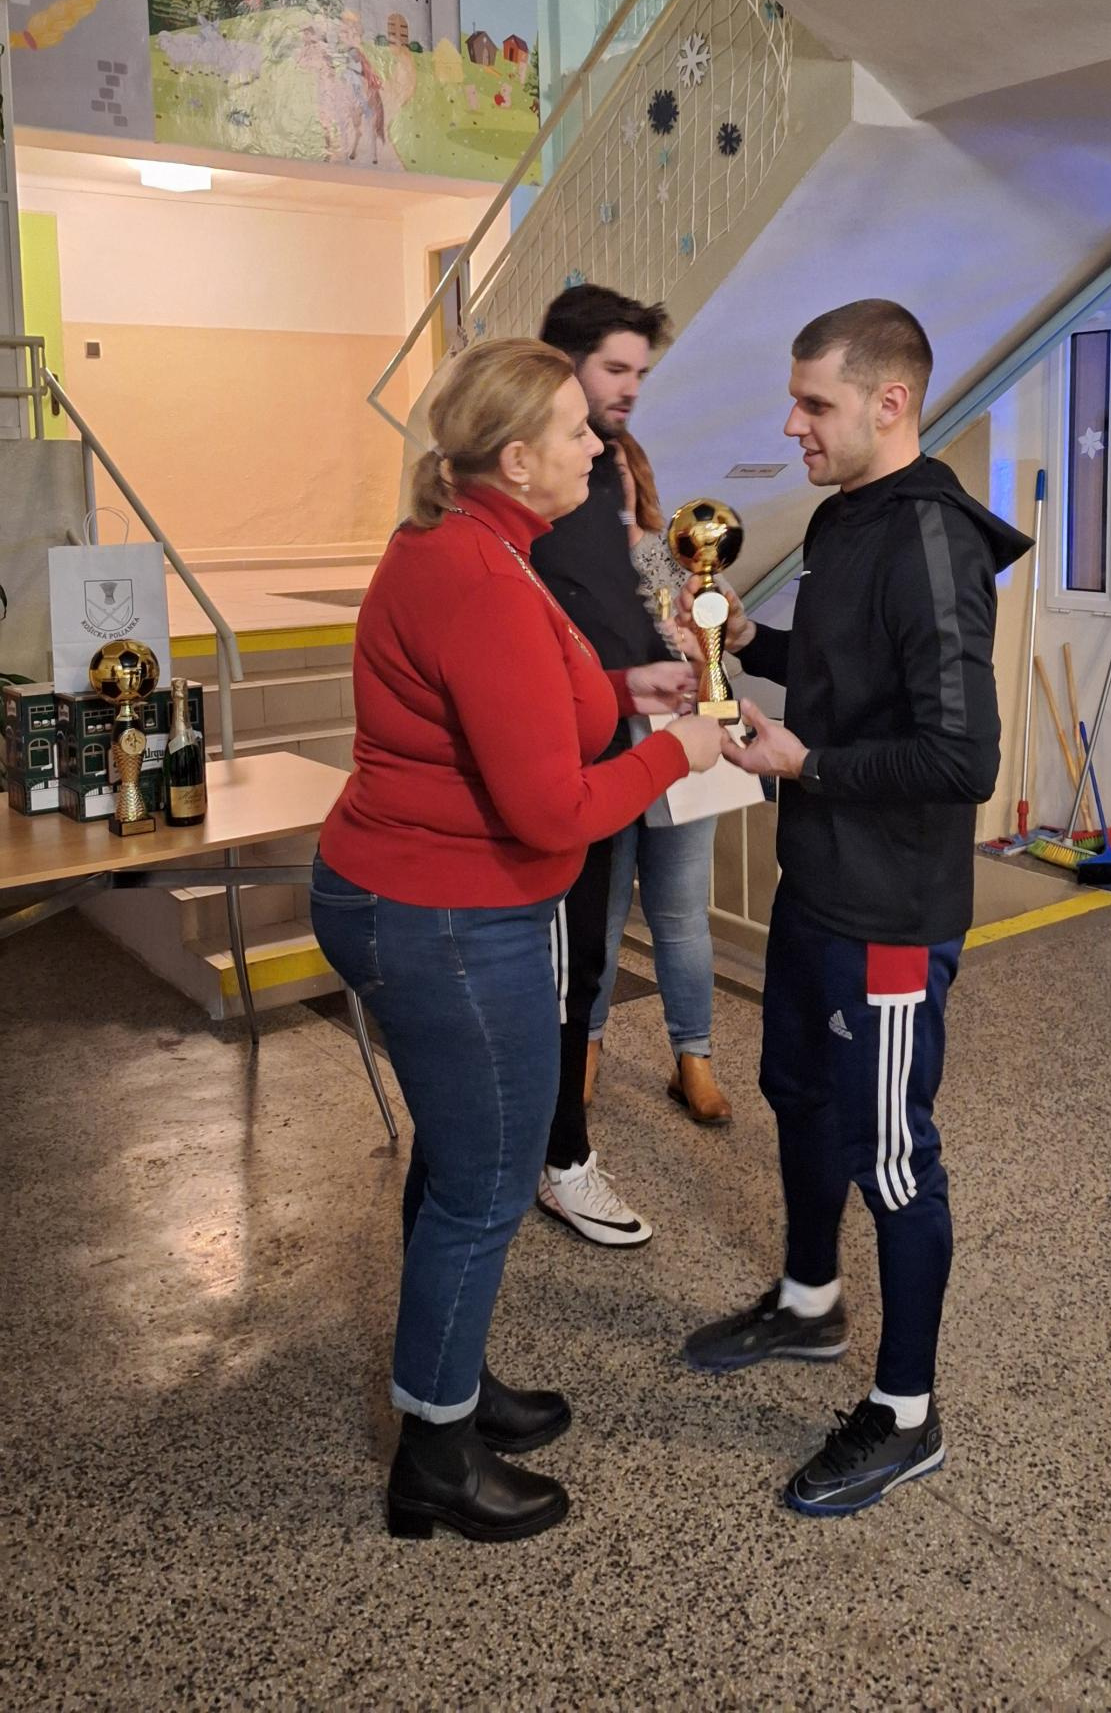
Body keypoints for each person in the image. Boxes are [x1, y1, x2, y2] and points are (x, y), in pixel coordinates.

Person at [311, 339, 720, 1544]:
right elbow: (550, 809)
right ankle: (434, 1459)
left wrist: (631, 692)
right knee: (488, 1182)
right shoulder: (481, 576)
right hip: (444, 913)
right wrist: (677, 750)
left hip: (418, 894)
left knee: (458, 1158)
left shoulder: (478, 543)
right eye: (576, 428)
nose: (600, 441)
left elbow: (527, 696)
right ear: (516, 458)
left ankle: (451, 1376)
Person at [682, 300, 1030, 1516]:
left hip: (890, 912)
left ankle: (907, 1413)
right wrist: (744, 639)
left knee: (890, 1152)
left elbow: (962, 759)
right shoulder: (843, 518)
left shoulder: (935, 537)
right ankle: (810, 1301)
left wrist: (807, 764)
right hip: (817, 883)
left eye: (814, 403)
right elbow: (843, 668)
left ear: (890, 402)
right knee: (798, 1090)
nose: (792, 425)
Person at [530, 285, 729, 1250]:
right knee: (569, 958)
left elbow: (615, 618)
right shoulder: (520, 502)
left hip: (621, 743)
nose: (631, 391)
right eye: (615, 369)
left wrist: (654, 675)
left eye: (639, 373)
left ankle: (568, 1141)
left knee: (623, 939)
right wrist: (625, 685)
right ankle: (556, 1144)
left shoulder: (608, 486)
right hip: (564, 765)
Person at [584, 427, 731, 1127]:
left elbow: (719, 658)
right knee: (601, 914)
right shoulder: (566, 560)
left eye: (614, 468)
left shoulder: (678, 556)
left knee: (679, 916)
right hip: (604, 756)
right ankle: (585, 1047)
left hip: (681, 753)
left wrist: (698, 650)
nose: (604, 482)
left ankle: (692, 1058)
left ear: (637, 474)